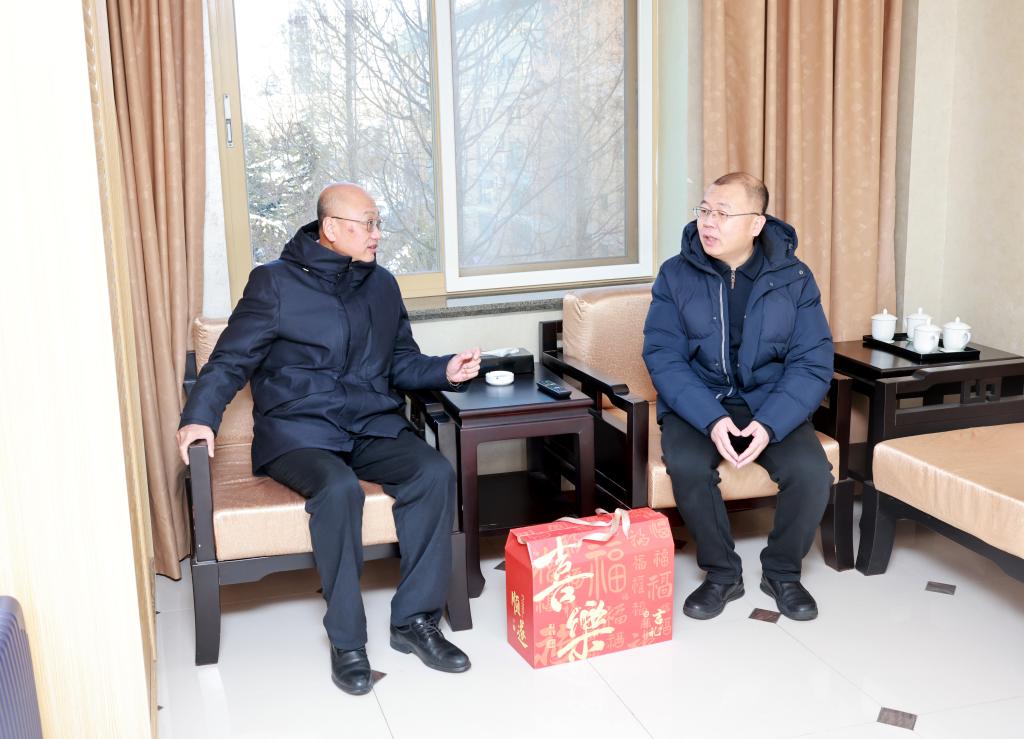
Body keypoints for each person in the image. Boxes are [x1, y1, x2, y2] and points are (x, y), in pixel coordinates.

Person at [176, 183, 481, 695]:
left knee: (433, 473)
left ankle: (414, 621)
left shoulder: (381, 285)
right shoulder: (274, 283)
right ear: (331, 227)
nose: (377, 234)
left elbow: (401, 360)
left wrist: (444, 370)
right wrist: (199, 416)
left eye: (378, 223)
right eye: (368, 223)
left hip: (368, 423)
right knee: (338, 489)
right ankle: (347, 642)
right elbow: (229, 360)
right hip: (299, 430)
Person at [643, 172, 834, 622]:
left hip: (771, 401)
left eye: (723, 214)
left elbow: (812, 361)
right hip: (699, 402)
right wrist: (711, 419)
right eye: (704, 210)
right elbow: (663, 356)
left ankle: (782, 572)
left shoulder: (794, 278)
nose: (708, 222)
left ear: (756, 223)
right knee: (688, 468)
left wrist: (770, 424)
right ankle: (722, 573)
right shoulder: (675, 274)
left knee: (811, 473)